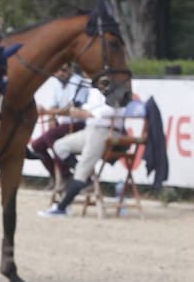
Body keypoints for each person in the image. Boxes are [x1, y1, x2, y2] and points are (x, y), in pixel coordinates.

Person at [39, 89, 145, 217]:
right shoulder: (94, 89)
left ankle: (62, 207)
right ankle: (87, 181)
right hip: (90, 129)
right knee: (60, 146)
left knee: (82, 169)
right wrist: (79, 110)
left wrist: (88, 114)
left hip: (105, 132)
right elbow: (91, 106)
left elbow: (111, 109)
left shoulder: (116, 86)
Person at [29, 62, 90, 187]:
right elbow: (54, 106)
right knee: (36, 146)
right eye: (56, 71)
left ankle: (65, 173)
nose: (59, 73)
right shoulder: (57, 84)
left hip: (79, 124)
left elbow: (74, 111)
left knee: (50, 136)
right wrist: (51, 117)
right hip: (66, 124)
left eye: (63, 70)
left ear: (71, 69)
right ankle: (56, 175)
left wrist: (47, 112)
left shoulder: (78, 82)